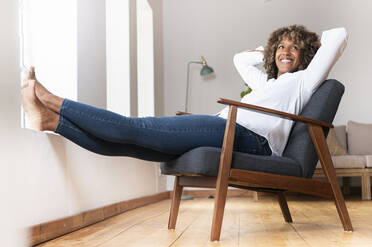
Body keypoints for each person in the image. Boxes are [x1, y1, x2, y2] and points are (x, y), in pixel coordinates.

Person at [21, 25, 348, 162]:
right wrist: (271, 48)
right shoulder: (270, 85)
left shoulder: (304, 81)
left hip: (249, 136)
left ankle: (50, 99)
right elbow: (240, 59)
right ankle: (52, 120)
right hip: (231, 127)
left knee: (140, 128)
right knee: (133, 145)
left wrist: (310, 44)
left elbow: (339, 35)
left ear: (305, 54)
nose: (285, 51)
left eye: (294, 48)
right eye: (281, 47)